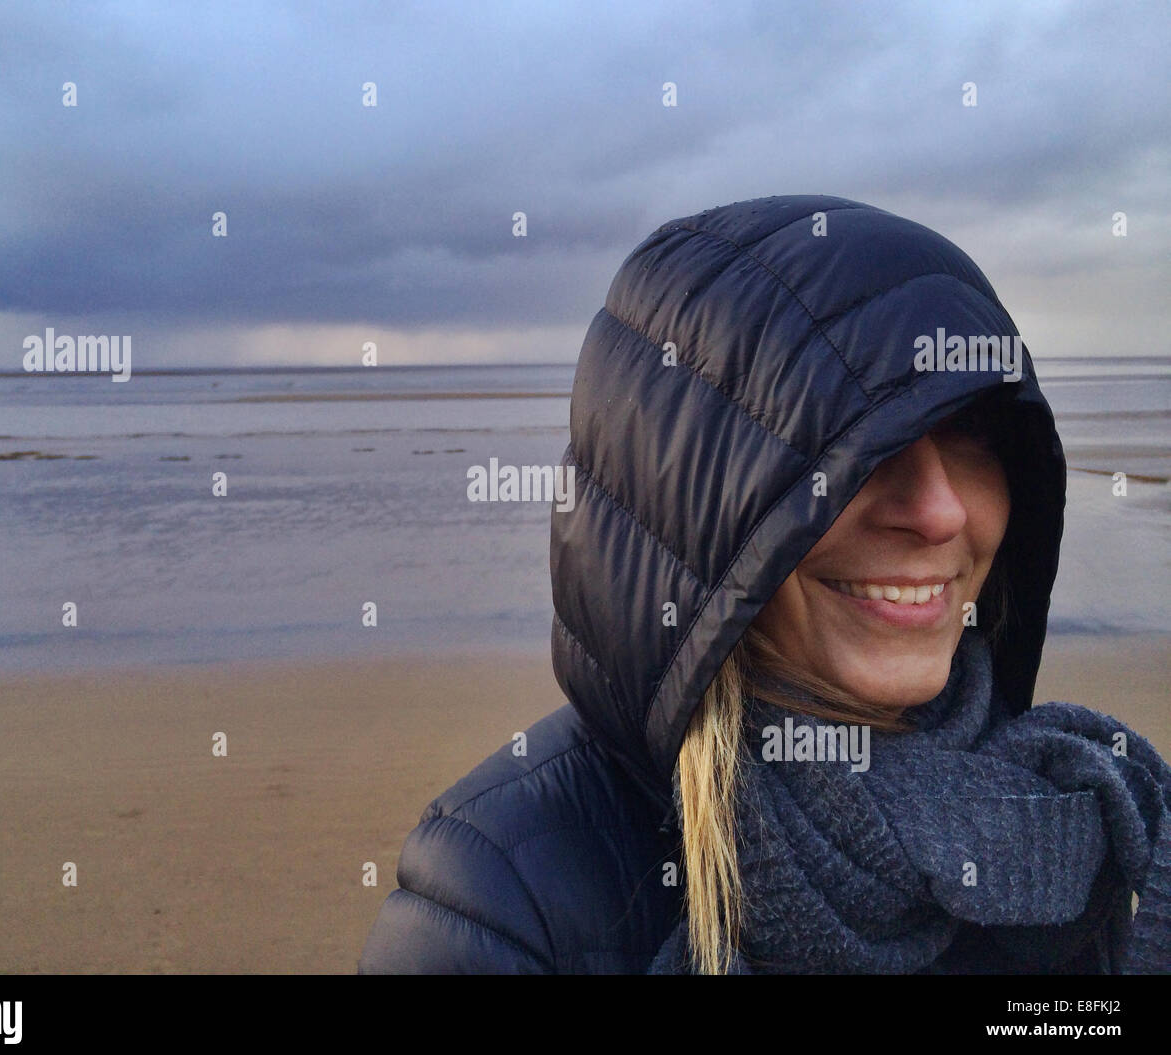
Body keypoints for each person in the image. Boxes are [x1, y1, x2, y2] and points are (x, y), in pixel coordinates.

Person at [358, 195, 1171, 974]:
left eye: (972, 438)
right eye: (852, 453)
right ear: (694, 517)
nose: (938, 512)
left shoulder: (1061, 822)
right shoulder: (500, 895)